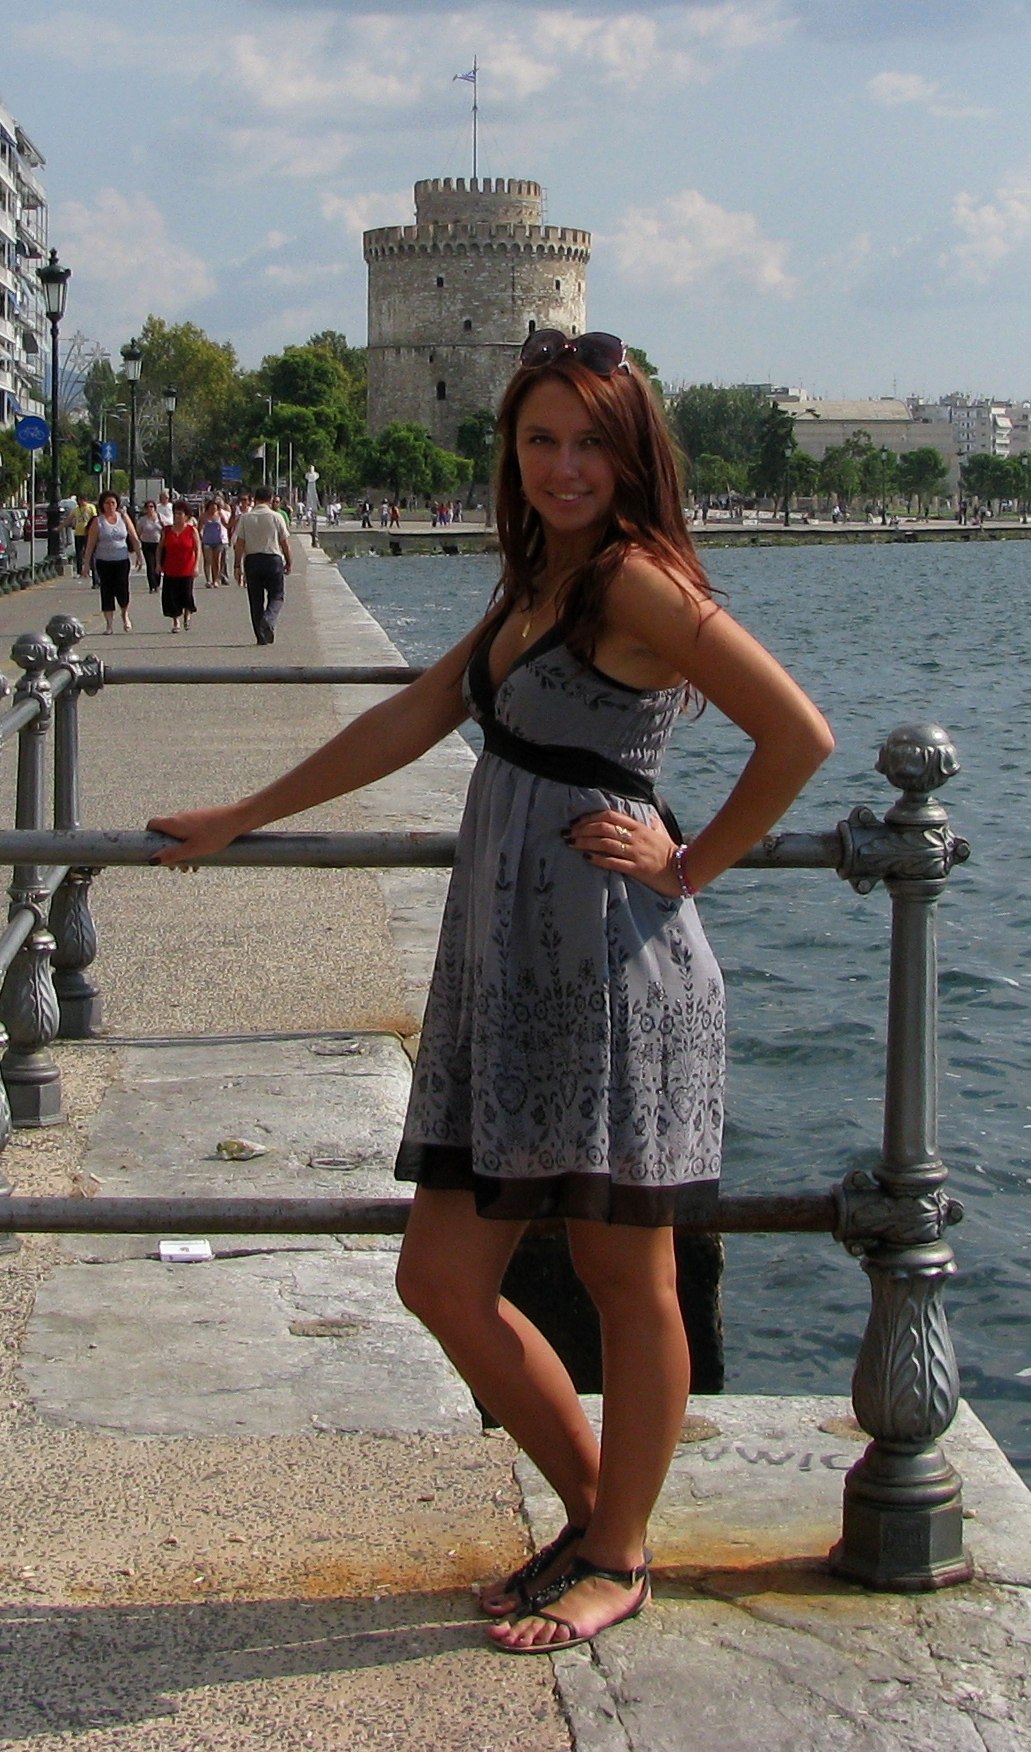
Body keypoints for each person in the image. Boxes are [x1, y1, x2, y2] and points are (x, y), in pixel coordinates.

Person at [146, 329, 834, 1654]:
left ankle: (615, 1553)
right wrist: (244, 814)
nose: (564, 467)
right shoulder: (539, 578)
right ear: (510, 453)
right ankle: (598, 1512)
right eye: (539, 441)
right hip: (508, 969)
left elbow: (795, 734)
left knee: (626, 1276)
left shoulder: (632, 580)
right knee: (440, 1277)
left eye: (590, 445)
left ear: (630, 458)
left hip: (613, 969)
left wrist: (688, 864)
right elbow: (412, 716)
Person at [232, 483, 292, 645]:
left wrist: (237, 566)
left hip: (252, 561)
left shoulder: (246, 518)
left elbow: (240, 543)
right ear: (271, 499)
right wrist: (289, 562)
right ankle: (269, 618)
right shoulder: (276, 517)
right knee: (277, 595)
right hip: (273, 559)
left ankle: (261, 637)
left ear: (255, 499)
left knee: (255, 600)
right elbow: (284, 542)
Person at [80, 490, 140, 633]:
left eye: (113, 503)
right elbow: (90, 544)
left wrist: (139, 555)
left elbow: (134, 537)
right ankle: (109, 625)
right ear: (102, 505)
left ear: (117, 504)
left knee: (122, 589)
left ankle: (124, 615)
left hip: (122, 560)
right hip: (104, 561)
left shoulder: (123, 518)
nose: (110, 506)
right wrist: (86, 564)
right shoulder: (98, 522)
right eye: (107, 503)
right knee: (107, 591)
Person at [157, 499, 199, 632]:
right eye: (175, 513)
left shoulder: (192, 530)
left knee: (186, 594)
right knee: (172, 596)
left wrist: (196, 566)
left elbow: (197, 549)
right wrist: (158, 564)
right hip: (170, 568)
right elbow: (160, 548)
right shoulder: (167, 531)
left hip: (187, 568)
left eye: (180, 514)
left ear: (186, 516)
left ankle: (187, 615)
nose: (177, 516)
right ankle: (176, 621)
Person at [65, 493, 96, 578]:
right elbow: (69, 519)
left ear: (85, 500)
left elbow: (94, 518)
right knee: (79, 553)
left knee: (89, 552)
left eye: (81, 500)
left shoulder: (91, 507)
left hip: (88, 533)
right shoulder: (76, 509)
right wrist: (60, 527)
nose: (80, 502)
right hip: (78, 533)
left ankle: (91, 570)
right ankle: (80, 571)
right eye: (79, 500)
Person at [136, 499, 163, 593]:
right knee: (150, 565)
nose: (149, 509)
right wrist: (138, 544)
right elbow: (138, 533)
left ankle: (157, 584)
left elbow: (164, 530)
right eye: (147, 507)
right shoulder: (143, 520)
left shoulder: (160, 517)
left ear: (155, 508)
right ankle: (152, 585)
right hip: (147, 544)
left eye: (151, 507)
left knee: (158, 564)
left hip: (158, 544)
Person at [200, 498, 228, 587]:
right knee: (208, 560)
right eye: (211, 508)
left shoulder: (219, 514)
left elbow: (226, 525)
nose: (213, 510)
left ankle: (216, 580)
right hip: (207, 540)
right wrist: (200, 536)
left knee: (217, 560)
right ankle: (208, 580)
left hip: (218, 540)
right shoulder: (204, 516)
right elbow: (199, 527)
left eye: (215, 508)